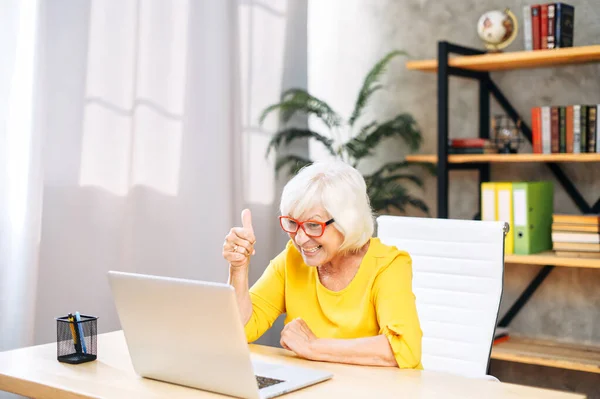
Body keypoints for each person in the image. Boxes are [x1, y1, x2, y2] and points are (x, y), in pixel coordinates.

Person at [222, 160, 422, 368]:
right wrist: (238, 269)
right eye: (292, 223)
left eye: (313, 225)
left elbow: (404, 349)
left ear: (348, 221)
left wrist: (313, 347)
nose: (299, 238)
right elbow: (240, 329)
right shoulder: (292, 259)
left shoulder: (388, 265)